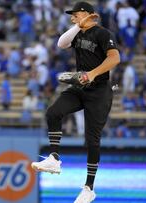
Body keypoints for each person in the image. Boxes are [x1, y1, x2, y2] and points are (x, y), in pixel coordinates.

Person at [31, 2, 120, 203]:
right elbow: (61, 43)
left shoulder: (103, 33)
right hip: (80, 86)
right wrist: (79, 25)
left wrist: (92, 74)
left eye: (76, 14)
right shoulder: (77, 32)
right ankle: (54, 158)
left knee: (92, 139)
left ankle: (89, 188)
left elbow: (115, 59)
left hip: (99, 91)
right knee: (53, 112)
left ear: (88, 14)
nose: (72, 17)